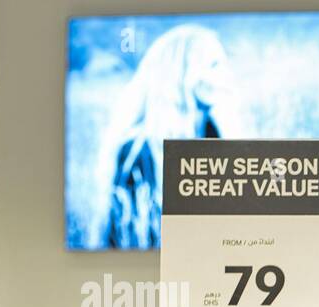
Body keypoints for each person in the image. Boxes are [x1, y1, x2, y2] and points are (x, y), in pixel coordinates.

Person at [93, 25, 241, 249]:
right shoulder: (136, 152)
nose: (226, 75)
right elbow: (128, 241)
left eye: (223, 63)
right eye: (213, 65)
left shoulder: (213, 136)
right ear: (181, 73)